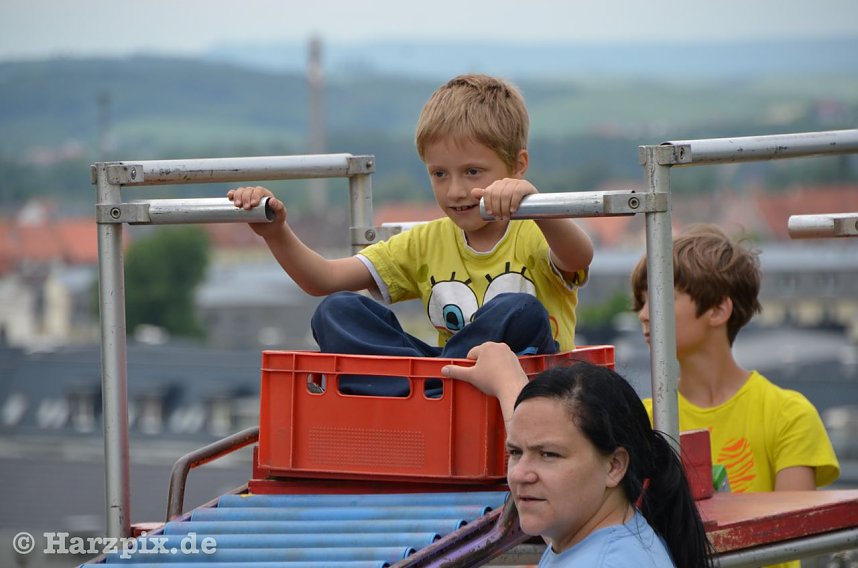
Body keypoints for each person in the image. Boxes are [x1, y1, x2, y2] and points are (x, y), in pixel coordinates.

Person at [228, 74, 593, 395]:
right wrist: (275, 232)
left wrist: (536, 203)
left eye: (472, 172)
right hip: (445, 373)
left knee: (521, 311)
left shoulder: (535, 229)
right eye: (439, 174)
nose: (455, 191)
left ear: (517, 166)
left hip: (529, 386)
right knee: (337, 310)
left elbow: (578, 257)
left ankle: (425, 387)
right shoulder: (427, 241)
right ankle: (425, 389)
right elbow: (323, 279)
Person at [631, 223, 840, 568]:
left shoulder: (788, 414)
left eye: (659, 297)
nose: (642, 314)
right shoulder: (641, 420)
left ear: (717, 310)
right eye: (641, 301)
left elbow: (791, 537)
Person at [442, 341, 714, 568]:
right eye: (515, 451)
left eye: (548, 455)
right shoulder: (591, 535)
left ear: (614, 466)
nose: (520, 474)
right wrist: (506, 382)